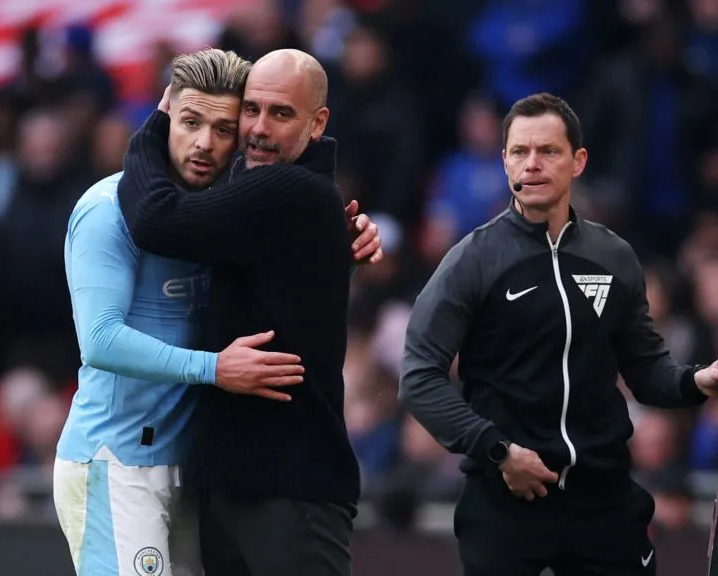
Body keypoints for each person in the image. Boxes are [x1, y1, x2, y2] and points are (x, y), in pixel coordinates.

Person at [54, 48, 382, 576]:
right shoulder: (109, 207)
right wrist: (213, 367)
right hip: (116, 462)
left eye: (223, 126)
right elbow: (99, 340)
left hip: (199, 472)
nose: (209, 141)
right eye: (189, 122)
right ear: (168, 119)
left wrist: (335, 254)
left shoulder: (231, 208)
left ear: (316, 122)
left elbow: (273, 284)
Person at [398, 92, 718, 576]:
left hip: (603, 498)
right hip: (504, 500)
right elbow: (418, 377)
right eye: (520, 152)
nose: (532, 164)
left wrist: (697, 382)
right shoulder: (472, 261)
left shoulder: (614, 257)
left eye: (548, 151)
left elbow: (647, 370)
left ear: (578, 161)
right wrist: (499, 452)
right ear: (504, 161)